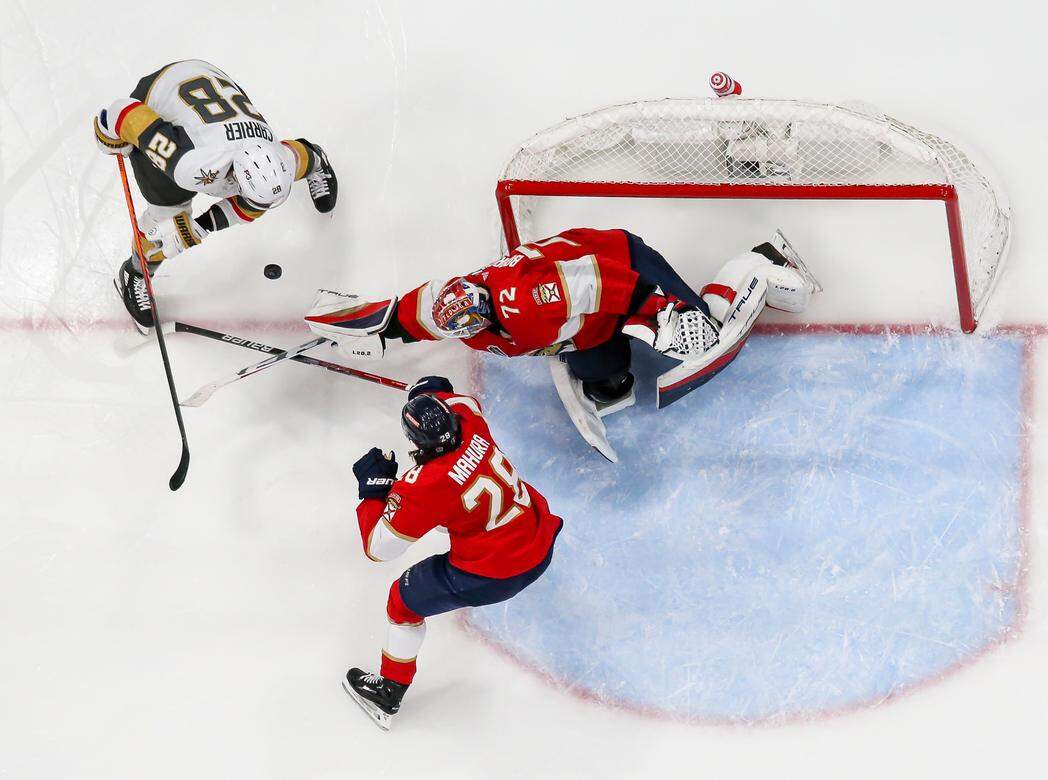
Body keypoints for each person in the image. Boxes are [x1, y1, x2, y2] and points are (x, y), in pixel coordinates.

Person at [306, 228, 815, 415]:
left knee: (705, 334)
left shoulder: (528, 299)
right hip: (583, 316)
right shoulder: (455, 306)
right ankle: (610, 354)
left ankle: (760, 260)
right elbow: (404, 318)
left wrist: (663, 315)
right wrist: (364, 330)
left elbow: (614, 284)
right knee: (607, 380)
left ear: (488, 306)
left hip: (622, 264)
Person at [343, 376, 563, 731]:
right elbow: (439, 387)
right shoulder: (469, 417)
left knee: (402, 602)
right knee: (459, 512)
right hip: (539, 535)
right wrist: (424, 395)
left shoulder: (427, 486)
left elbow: (379, 548)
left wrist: (373, 492)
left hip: (496, 573)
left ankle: (388, 692)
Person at [94, 59, 338, 333]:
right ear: (235, 177)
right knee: (166, 218)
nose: (256, 208)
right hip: (160, 92)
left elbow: (256, 200)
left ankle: (317, 158)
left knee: (301, 161)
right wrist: (109, 134)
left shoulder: (278, 155)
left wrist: (202, 227)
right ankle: (136, 271)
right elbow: (121, 111)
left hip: (209, 81)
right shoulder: (189, 164)